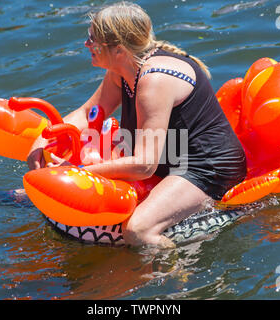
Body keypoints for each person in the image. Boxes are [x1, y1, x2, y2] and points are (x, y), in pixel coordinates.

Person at [27, 1, 247, 248]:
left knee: (137, 230)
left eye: (92, 39)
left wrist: (75, 171)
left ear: (118, 49)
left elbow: (144, 165)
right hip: (169, 158)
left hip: (205, 168)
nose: (86, 44)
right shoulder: (121, 70)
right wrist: (43, 139)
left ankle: (180, 277)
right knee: (31, 192)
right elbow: (89, 111)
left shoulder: (154, 83)